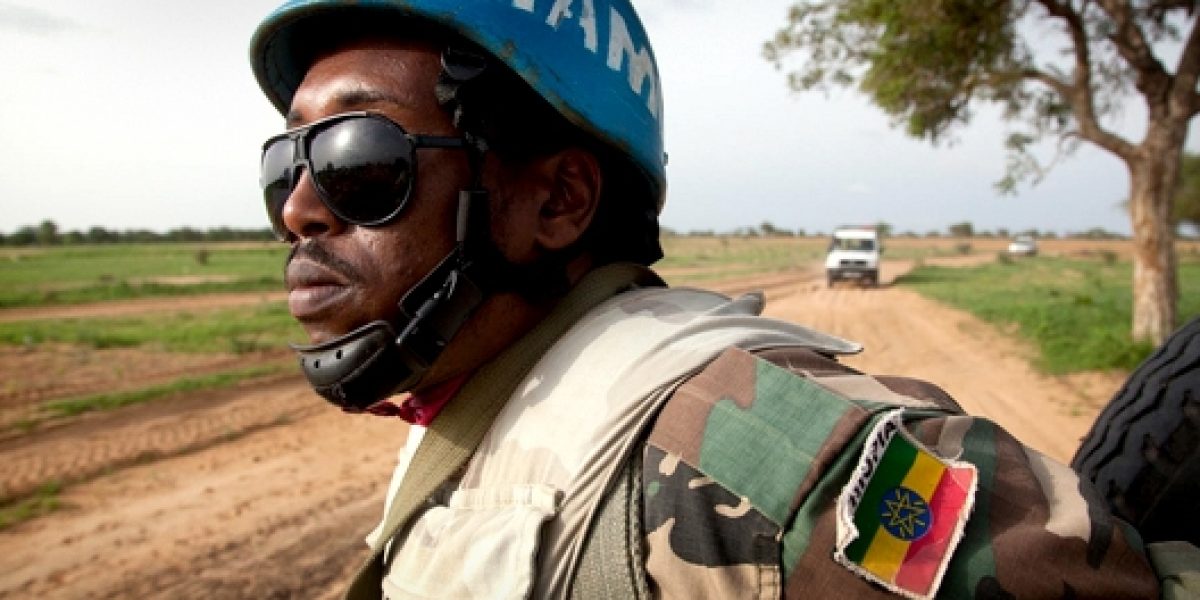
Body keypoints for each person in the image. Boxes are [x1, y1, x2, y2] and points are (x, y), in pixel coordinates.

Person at [249, 1, 1178, 598]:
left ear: (560, 201)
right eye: (288, 161)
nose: (298, 209)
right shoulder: (489, 406)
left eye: (355, 161)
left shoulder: (773, 462)